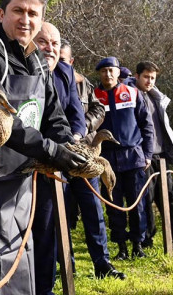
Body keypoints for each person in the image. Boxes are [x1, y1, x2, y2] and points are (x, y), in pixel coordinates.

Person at [0, 0, 86, 294]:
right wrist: (53, 151)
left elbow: (53, 115)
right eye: (18, 10)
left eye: (33, 14)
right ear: (1, 14)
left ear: (41, 21)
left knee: (20, 261)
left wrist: (71, 149)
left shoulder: (38, 59)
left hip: (21, 178)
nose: (25, 19)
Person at [56, 41, 125, 280]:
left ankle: (102, 264)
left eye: (63, 59)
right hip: (57, 159)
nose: (58, 62)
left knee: (94, 211)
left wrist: (82, 127)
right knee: (61, 213)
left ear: (71, 62)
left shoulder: (82, 83)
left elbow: (99, 110)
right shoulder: (42, 79)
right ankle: (66, 266)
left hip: (86, 157)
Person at [32, 21, 86, 294]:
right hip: (26, 163)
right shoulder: (25, 68)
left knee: (51, 228)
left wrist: (74, 143)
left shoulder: (64, 72)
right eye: (43, 42)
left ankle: (46, 286)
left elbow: (72, 116)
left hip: (59, 162)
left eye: (54, 44)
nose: (50, 49)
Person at [94, 57, 154, 261]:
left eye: (111, 70)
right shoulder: (94, 96)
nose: (108, 74)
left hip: (134, 157)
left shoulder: (133, 93)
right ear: (99, 74)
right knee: (113, 205)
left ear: (118, 73)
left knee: (138, 205)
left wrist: (147, 154)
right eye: (104, 71)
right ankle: (121, 246)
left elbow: (147, 126)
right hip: (107, 160)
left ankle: (138, 244)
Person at [132, 61, 173, 255]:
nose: (149, 81)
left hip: (161, 156)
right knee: (145, 199)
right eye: (146, 77)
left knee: (170, 199)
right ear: (137, 76)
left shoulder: (157, 97)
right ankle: (145, 241)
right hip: (143, 157)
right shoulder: (131, 96)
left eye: (152, 78)